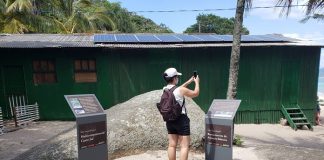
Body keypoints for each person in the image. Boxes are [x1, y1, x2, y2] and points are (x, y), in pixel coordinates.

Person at [162, 67, 200, 160]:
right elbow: (196, 93)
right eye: (177, 77)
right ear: (174, 78)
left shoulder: (165, 89)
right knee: (184, 146)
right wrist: (197, 82)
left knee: (172, 145)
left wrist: (189, 81)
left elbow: (177, 90)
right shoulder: (180, 90)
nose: (177, 78)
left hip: (169, 120)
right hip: (181, 120)